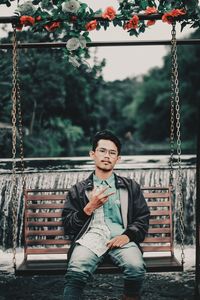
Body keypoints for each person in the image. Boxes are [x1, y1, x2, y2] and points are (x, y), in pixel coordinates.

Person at [62, 130, 150, 300]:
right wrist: (89, 208)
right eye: (102, 151)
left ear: (118, 158)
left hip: (121, 239)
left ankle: (129, 296)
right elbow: (68, 225)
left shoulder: (130, 187)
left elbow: (142, 217)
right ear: (92, 154)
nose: (107, 156)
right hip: (89, 240)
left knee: (136, 268)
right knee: (75, 273)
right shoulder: (78, 190)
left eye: (112, 152)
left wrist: (128, 235)